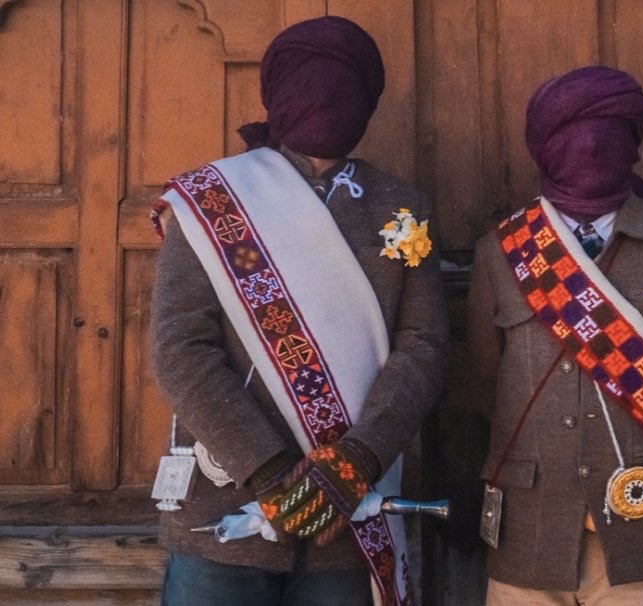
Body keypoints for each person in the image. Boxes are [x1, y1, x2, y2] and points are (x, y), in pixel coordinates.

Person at [149, 16, 448, 606]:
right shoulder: (210, 201)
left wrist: (356, 462)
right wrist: (270, 472)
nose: (326, 97)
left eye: (343, 83)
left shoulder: (401, 207)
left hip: (351, 513)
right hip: (228, 510)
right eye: (310, 80)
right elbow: (181, 349)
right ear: (277, 91)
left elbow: (425, 348)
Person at [466, 66, 643, 605]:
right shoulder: (503, 252)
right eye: (574, 132)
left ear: (633, 144)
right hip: (530, 519)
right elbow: (486, 379)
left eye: (608, 130)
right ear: (544, 146)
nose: (593, 147)